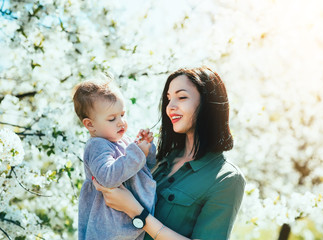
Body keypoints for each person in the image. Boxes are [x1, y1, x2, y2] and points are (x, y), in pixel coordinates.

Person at [93, 67, 246, 240]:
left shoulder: (226, 180)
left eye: (181, 97)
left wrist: (136, 212)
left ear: (207, 104)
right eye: (168, 99)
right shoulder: (159, 159)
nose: (170, 107)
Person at [72, 75, 157, 240]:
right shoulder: (97, 146)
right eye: (112, 118)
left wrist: (146, 148)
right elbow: (108, 177)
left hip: (131, 222)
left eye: (123, 115)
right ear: (90, 124)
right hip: (107, 229)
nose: (121, 122)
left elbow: (147, 168)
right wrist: (137, 153)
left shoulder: (124, 141)